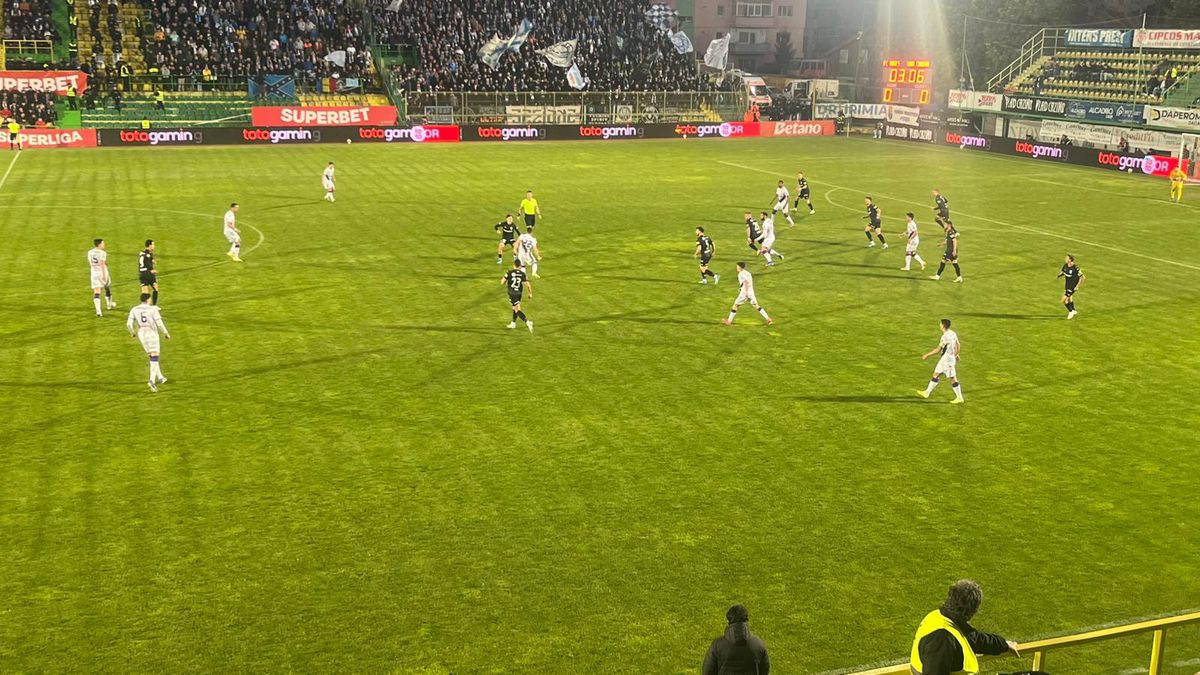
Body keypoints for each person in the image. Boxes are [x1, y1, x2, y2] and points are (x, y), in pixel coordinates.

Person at [909, 580, 1020, 674]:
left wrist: (1004, 644)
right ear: (972, 611)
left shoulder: (942, 617)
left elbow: (976, 639)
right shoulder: (941, 639)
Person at [702, 604, 770, 675]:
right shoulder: (758, 644)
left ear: (729, 620)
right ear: (746, 619)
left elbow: (708, 671)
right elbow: (765, 670)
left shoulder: (717, 645)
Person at [127, 292, 171, 392]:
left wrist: (132, 333)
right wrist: (166, 333)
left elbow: (129, 324)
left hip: (141, 333)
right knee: (155, 356)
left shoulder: (134, 309)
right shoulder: (152, 309)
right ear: (148, 299)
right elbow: (159, 323)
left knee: (152, 356)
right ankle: (151, 381)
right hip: (151, 332)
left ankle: (160, 377)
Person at [918, 319, 964, 403]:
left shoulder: (945, 337)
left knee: (953, 379)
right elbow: (958, 344)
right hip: (946, 359)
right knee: (936, 374)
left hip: (947, 360)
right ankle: (927, 392)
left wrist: (927, 355)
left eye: (940, 324)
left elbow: (938, 350)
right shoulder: (953, 333)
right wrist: (956, 354)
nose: (939, 325)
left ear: (943, 326)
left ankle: (959, 398)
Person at [722, 262, 773, 326]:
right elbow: (746, 282)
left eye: (737, 266)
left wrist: (745, 292)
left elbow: (746, 282)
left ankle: (729, 321)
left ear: (739, 267)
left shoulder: (740, 274)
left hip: (744, 293)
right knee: (756, 305)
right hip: (751, 292)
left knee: (735, 305)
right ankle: (768, 319)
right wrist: (741, 288)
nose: (736, 268)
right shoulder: (748, 273)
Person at [503, 259, 533, 332]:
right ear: (520, 266)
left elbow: (502, 282)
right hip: (519, 293)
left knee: (517, 310)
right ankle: (513, 323)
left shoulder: (509, 272)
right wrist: (530, 293)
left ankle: (527, 322)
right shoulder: (523, 274)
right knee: (514, 308)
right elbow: (528, 285)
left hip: (512, 293)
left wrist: (506, 282)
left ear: (514, 265)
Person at [88, 238, 116, 316]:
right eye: (103, 243)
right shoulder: (103, 253)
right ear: (99, 244)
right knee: (107, 287)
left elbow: (91, 262)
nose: (104, 245)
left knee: (97, 292)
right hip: (102, 272)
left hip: (94, 273)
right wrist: (104, 275)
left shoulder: (90, 252)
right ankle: (109, 305)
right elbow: (102, 264)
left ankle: (98, 311)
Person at [1057, 254, 1085, 320]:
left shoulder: (1075, 268)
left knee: (1063, 300)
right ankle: (1073, 310)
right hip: (1067, 285)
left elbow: (1083, 277)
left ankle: (1070, 311)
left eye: (1066, 258)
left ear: (1070, 260)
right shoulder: (1065, 265)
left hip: (1072, 286)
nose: (1065, 259)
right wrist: (1059, 275)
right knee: (1069, 298)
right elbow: (1064, 272)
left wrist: (1077, 286)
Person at [138, 239, 159, 306]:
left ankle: (144, 306)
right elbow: (148, 266)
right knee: (155, 288)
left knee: (145, 292)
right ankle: (154, 306)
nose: (154, 246)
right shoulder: (148, 255)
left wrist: (152, 260)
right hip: (148, 274)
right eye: (153, 244)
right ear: (149, 245)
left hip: (141, 274)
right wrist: (152, 271)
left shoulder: (142, 253)